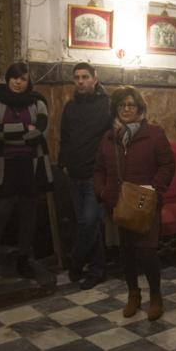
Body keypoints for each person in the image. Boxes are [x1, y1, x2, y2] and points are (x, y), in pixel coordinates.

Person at [92, 86, 175, 321]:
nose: (126, 109)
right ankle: (133, 294)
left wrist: (155, 190)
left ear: (139, 108)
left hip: (145, 204)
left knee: (147, 252)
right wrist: (102, 192)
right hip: (118, 204)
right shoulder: (109, 137)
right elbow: (98, 169)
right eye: (121, 105)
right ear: (115, 109)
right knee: (126, 252)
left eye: (131, 105)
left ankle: (156, 297)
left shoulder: (154, 134)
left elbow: (168, 165)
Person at [0, 62, 53, 290]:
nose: (19, 82)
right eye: (15, 78)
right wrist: (23, 129)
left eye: (23, 79)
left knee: (28, 216)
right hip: (5, 167)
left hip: (30, 166)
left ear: (28, 81)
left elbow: (41, 129)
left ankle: (23, 260)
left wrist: (9, 131)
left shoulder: (38, 100)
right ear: (8, 79)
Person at [60, 62, 111, 289]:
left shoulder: (106, 105)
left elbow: (113, 138)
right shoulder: (70, 107)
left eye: (85, 77)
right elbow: (65, 137)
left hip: (95, 175)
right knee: (85, 224)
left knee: (90, 221)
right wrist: (63, 164)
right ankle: (98, 269)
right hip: (74, 174)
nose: (80, 81)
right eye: (77, 78)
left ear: (95, 78)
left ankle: (77, 261)